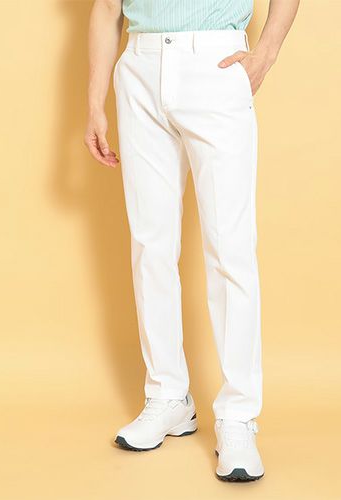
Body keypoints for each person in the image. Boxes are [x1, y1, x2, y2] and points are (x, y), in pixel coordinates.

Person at [85, 0, 299, 482]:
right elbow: (106, 7)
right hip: (139, 67)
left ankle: (238, 416)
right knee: (150, 245)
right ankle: (167, 395)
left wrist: (265, 54)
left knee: (230, 250)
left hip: (214, 65)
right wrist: (95, 102)